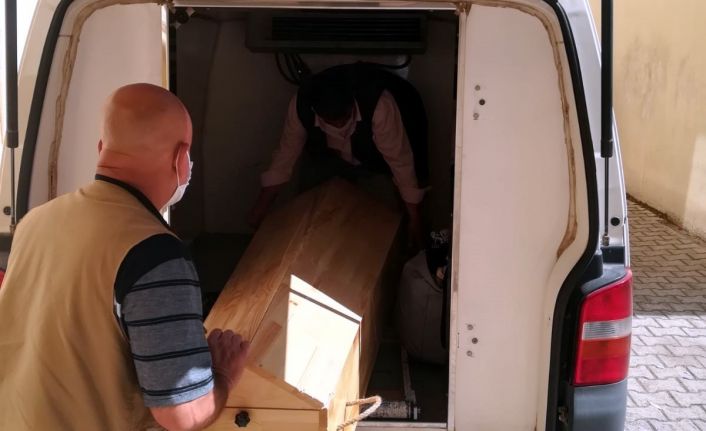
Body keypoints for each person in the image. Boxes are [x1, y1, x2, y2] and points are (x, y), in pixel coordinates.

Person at [0, 84, 248, 430]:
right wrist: (223, 373)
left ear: (102, 148)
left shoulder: (35, 221)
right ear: (181, 159)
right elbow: (183, 412)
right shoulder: (154, 254)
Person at [248, 63, 429, 247]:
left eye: (344, 119)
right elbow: (285, 156)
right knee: (312, 216)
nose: (339, 127)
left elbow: (400, 161)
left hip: (376, 157)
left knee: (383, 221)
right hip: (328, 155)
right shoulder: (301, 105)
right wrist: (261, 207)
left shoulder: (379, 106)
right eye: (331, 122)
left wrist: (415, 218)